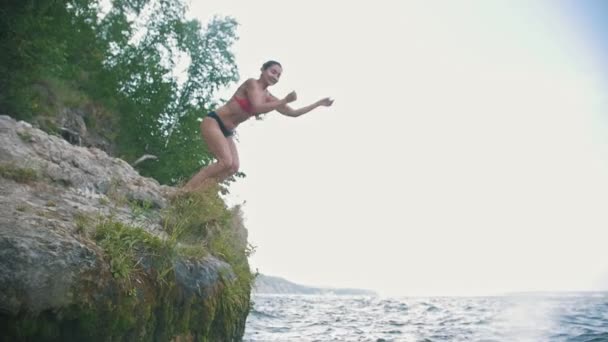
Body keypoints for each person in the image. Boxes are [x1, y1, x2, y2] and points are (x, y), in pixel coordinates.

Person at [180, 60, 334, 193]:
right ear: (263, 70)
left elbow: (293, 113)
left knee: (233, 167)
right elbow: (256, 107)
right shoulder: (252, 83)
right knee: (225, 161)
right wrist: (284, 100)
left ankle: (197, 192)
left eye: (278, 75)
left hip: (227, 132)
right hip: (214, 122)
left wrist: (319, 103)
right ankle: (185, 190)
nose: (275, 76)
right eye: (273, 72)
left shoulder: (269, 97)